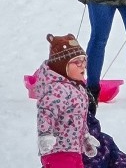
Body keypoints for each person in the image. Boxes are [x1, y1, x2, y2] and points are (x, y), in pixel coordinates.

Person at [35, 34, 99, 168]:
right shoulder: (56, 89)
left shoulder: (77, 88)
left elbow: (78, 118)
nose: (83, 66)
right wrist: (45, 135)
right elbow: (46, 112)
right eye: (77, 62)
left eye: (84, 60)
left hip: (74, 150)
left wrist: (85, 138)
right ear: (62, 65)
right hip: (58, 151)